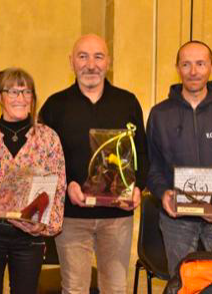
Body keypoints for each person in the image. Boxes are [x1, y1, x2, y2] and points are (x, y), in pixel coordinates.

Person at [39, 34, 148, 294]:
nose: (91, 64)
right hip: (72, 217)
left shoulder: (127, 102)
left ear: (108, 62)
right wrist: (65, 187)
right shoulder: (55, 105)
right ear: (71, 62)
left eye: (98, 56)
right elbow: (42, 160)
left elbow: (142, 153)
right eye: (83, 56)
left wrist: (137, 187)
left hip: (117, 217)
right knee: (75, 288)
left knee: (115, 288)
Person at [146, 41, 212, 277]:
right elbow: (152, 166)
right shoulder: (159, 114)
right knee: (183, 283)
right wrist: (163, 193)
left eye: (200, 64)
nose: (193, 71)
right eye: (186, 64)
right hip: (177, 219)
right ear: (178, 68)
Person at [0, 68, 66, 293]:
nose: (21, 98)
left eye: (26, 92)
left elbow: (58, 188)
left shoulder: (48, 138)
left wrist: (45, 224)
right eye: (13, 91)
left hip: (30, 237)